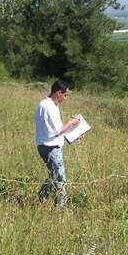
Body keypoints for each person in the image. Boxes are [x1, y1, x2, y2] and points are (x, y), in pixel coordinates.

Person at [34, 81, 80, 209]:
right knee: (60, 178)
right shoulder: (48, 107)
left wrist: (75, 134)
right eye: (65, 95)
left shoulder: (48, 104)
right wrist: (72, 122)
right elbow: (58, 131)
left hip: (46, 145)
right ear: (58, 93)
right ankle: (60, 208)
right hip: (51, 148)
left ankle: (41, 197)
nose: (66, 98)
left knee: (53, 175)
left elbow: (57, 130)